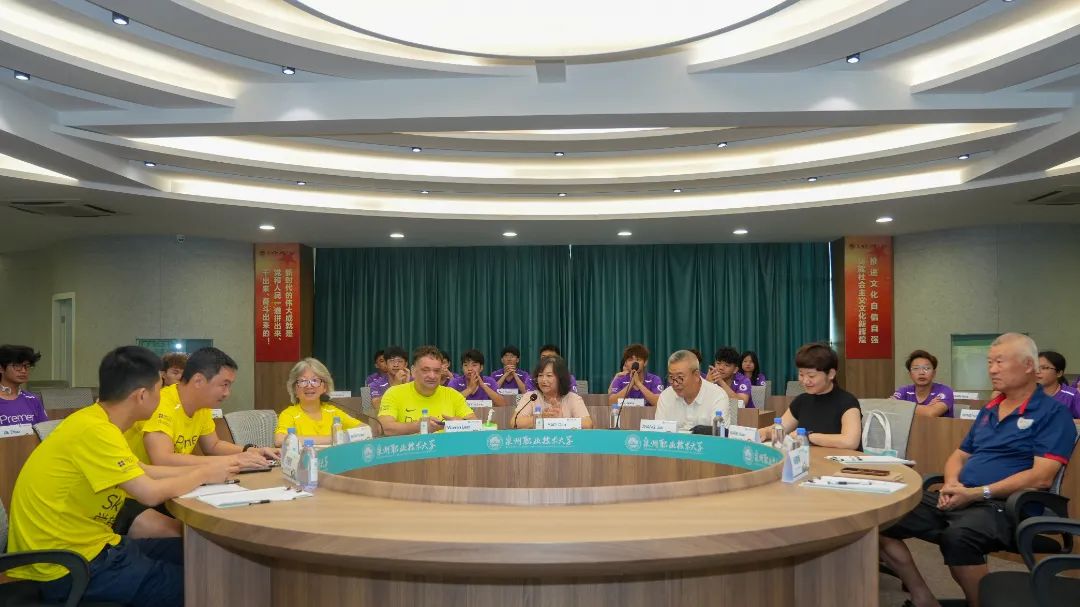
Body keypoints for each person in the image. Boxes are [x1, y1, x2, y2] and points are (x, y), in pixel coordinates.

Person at [4, 346, 236, 607]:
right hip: (69, 566)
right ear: (142, 396)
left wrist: (210, 471)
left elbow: (142, 470)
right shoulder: (96, 430)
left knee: (199, 555)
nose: (164, 396)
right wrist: (204, 472)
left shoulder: (99, 422)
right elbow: (148, 492)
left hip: (97, 545)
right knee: (205, 584)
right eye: (159, 390)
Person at [880, 333, 1076, 607]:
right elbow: (959, 456)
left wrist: (976, 493)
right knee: (883, 516)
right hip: (965, 495)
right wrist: (951, 483)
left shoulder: (1053, 413)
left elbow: (1041, 478)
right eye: (989, 362)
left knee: (959, 537)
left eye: (1000, 362)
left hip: (1005, 505)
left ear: (1028, 366)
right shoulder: (990, 410)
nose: (992, 369)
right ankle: (922, 596)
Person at [759, 342, 861, 449]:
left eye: (811, 376)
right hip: (809, 457)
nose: (805, 381)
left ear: (831, 374)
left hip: (838, 459)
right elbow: (781, 428)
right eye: (801, 374)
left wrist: (807, 437)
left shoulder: (847, 402)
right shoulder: (802, 401)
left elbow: (850, 441)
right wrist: (765, 432)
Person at [377, 345, 477, 435]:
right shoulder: (394, 393)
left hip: (446, 448)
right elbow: (385, 428)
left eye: (437, 371)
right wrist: (420, 426)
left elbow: (475, 425)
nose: (432, 376)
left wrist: (459, 424)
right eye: (425, 370)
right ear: (413, 371)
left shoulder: (453, 395)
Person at [274, 357, 365, 446]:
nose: (309, 386)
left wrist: (342, 437)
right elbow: (280, 440)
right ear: (294, 389)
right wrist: (333, 439)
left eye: (315, 380)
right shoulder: (289, 414)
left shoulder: (333, 412)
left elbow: (364, 429)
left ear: (325, 387)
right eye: (303, 381)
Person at [656, 350, 734, 432]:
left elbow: (719, 434)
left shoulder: (718, 395)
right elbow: (658, 433)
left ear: (696, 375)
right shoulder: (665, 396)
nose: (675, 383)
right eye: (671, 377)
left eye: (680, 377)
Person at [511, 355, 592, 428]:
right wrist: (541, 418)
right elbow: (514, 422)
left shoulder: (573, 398)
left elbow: (588, 424)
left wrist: (559, 420)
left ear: (560, 378)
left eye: (549, 375)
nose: (543, 380)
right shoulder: (531, 397)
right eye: (540, 375)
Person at [892, 349, 955, 417]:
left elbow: (931, 413)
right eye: (916, 368)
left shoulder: (944, 390)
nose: (921, 373)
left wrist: (901, 405)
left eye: (927, 368)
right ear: (910, 374)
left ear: (934, 373)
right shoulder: (904, 390)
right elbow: (889, 406)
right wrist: (927, 408)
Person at [0, 344, 48, 427]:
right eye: (17, 366)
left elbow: (45, 430)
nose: (23, 371)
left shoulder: (32, 400)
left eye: (27, 366)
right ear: (1, 368)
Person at [1036, 350, 1080, 418]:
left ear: (1059, 373)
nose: (1037, 371)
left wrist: (1061, 421)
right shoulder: (1028, 395)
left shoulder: (1072, 396)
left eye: (1044, 368)